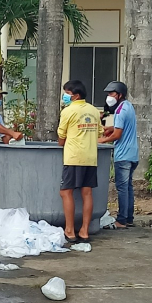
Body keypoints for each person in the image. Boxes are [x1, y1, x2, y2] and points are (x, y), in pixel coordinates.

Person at [57, 80, 103, 243]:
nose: (65, 96)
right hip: (90, 157)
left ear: (75, 95)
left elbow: (61, 138)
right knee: (87, 193)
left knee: (66, 192)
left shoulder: (68, 111)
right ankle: (84, 231)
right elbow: (99, 132)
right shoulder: (94, 111)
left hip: (74, 157)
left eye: (67, 93)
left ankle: (69, 230)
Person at [98, 81, 139, 228]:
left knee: (122, 188)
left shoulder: (120, 111)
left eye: (111, 93)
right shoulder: (128, 106)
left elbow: (117, 135)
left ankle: (121, 220)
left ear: (119, 94)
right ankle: (128, 218)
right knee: (127, 187)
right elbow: (121, 127)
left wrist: (102, 139)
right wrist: (110, 128)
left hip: (123, 155)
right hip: (133, 154)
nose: (109, 96)